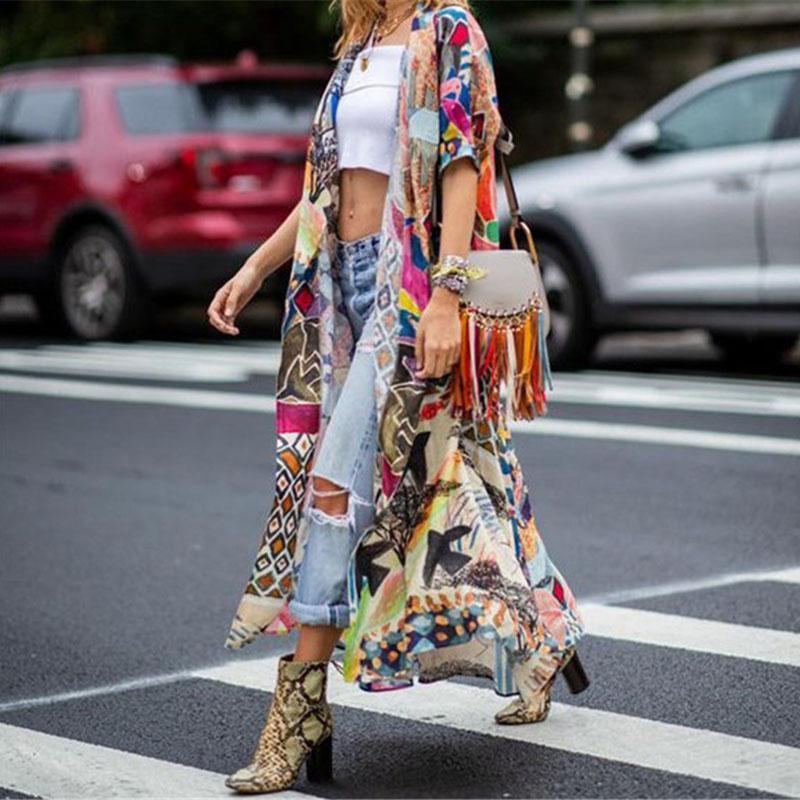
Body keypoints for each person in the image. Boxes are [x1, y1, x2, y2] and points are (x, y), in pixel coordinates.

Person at [207, 0, 589, 793]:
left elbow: (461, 160)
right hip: (338, 289)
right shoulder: (357, 48)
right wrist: (254, 269)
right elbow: (325, 188)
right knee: (472, 470)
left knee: (334, 486)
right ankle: (546, 632)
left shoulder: (448, 28)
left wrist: (447, 292)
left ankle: (299, 708)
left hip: (405, 288)